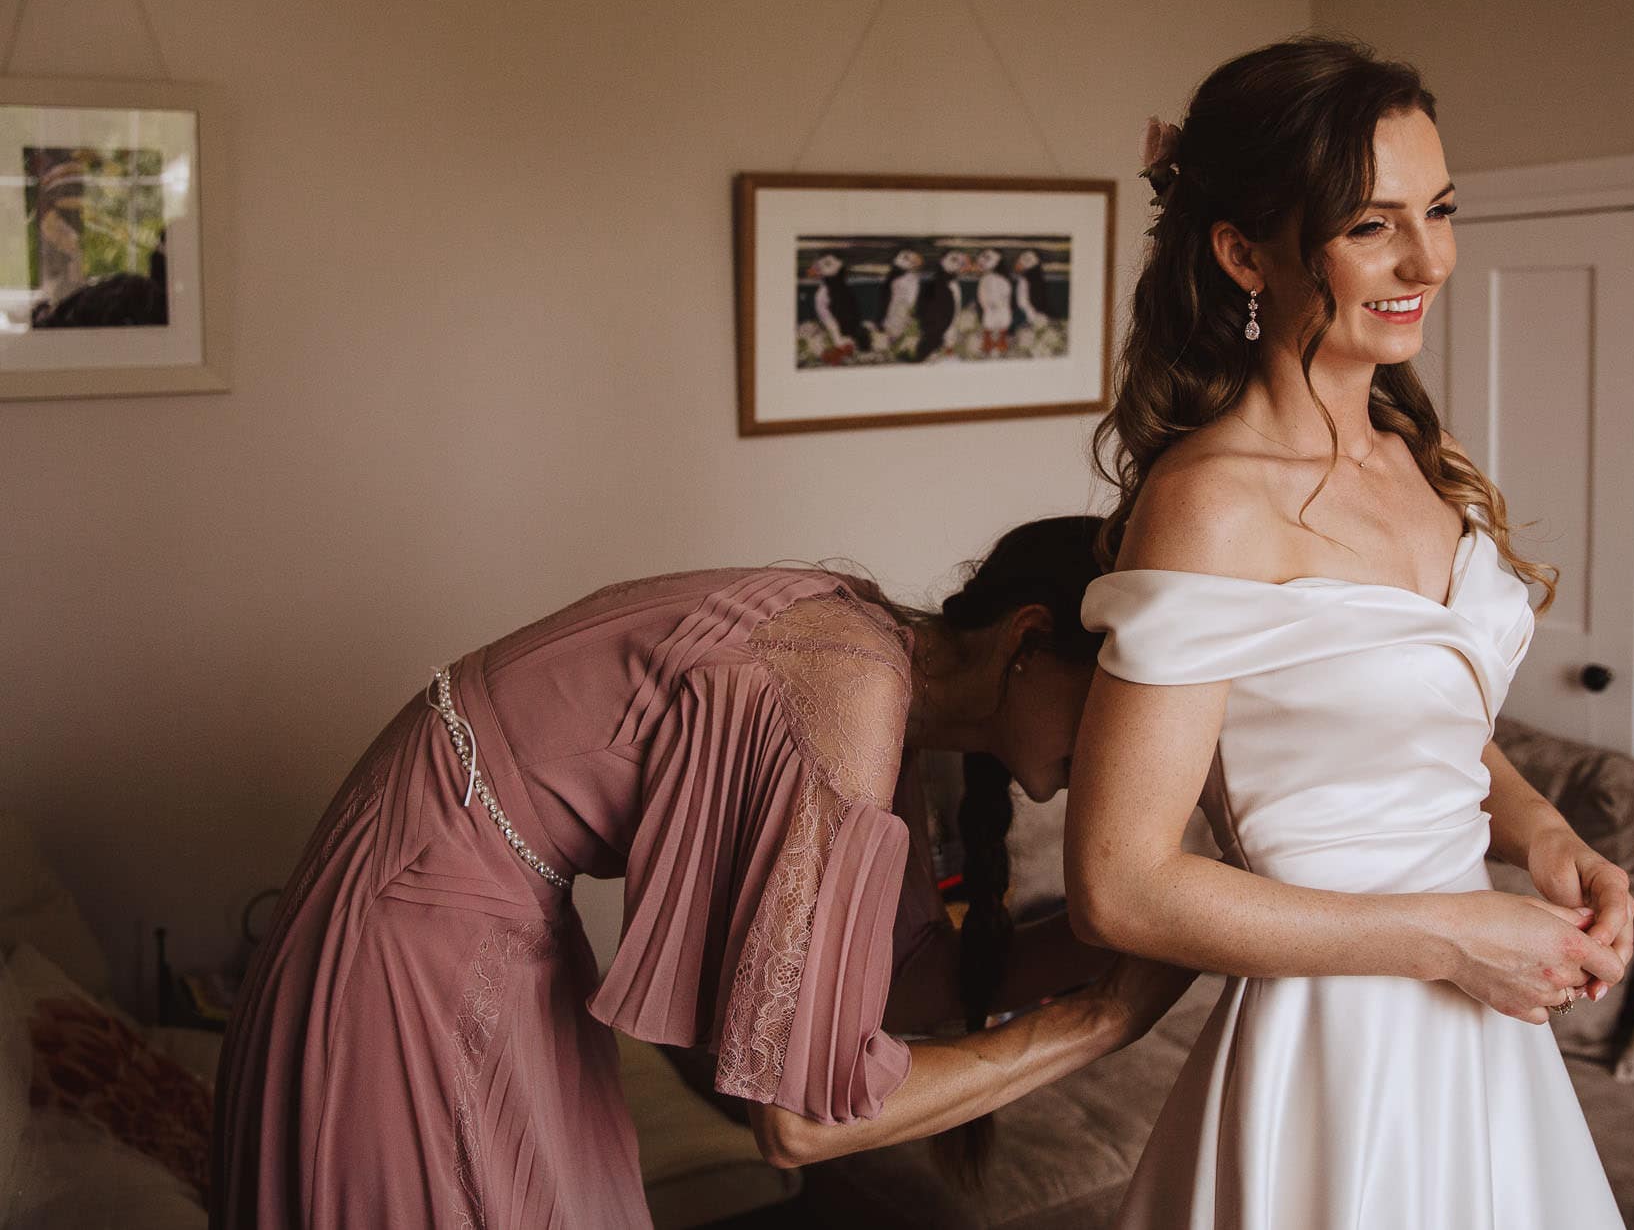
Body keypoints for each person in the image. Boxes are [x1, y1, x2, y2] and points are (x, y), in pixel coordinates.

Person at [211, 515, 1193, 1229]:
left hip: (466, 897)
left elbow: (900, 982)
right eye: (1126, 712)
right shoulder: (846, 686)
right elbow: (797, 1123)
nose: (1136, 756)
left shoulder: (881, 678)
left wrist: (1116, 935)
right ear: (1028, 641)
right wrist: (1096, 1022)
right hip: (414, 925)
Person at [1065, 36, 1634, 1228]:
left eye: (1438, 208)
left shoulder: (1409, 452)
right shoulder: (1212, 502)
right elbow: (1120, 887)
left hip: (1480, 1042)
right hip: (1339, 1054)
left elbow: (1408, 720)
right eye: (1371, 225)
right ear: (1242, 253)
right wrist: (1446, 940)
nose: (1427, 258)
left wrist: (1537, 829)